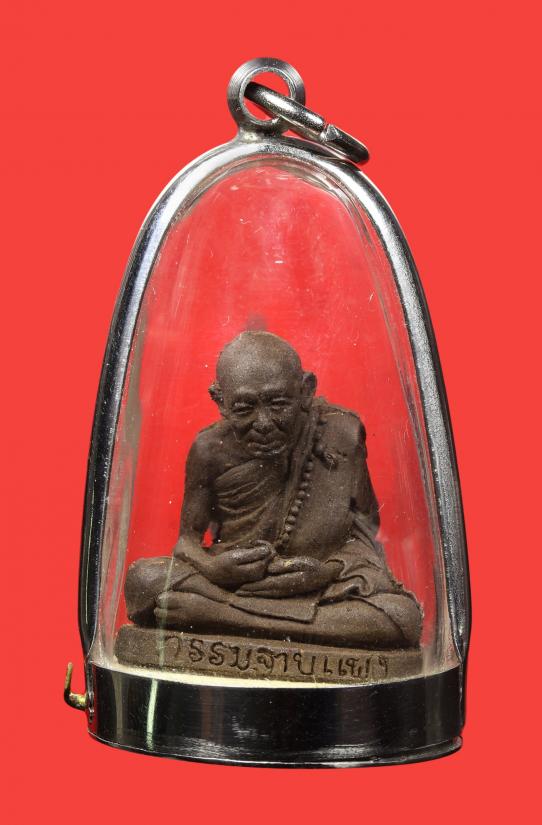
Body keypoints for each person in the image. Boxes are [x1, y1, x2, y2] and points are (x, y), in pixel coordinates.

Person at [125, 332, 421, 649]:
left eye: (278, 404)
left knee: (400, 615)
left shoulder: (341, 434)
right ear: (220, 401)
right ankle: (253, 616)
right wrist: (213, 568)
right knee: (145, 580)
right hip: (235, 581)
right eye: (244, 409)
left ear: (306, 390)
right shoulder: (209, 450)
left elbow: (365, 532)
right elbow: (186, 541)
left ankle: (223, 616)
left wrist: (327, 571)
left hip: (318, 585)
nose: (264, 423)